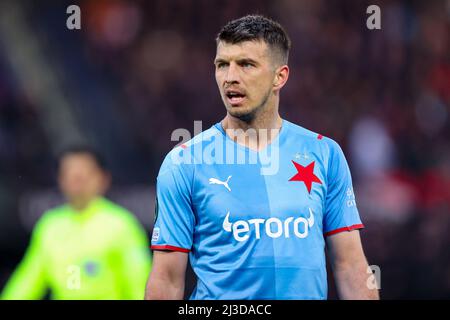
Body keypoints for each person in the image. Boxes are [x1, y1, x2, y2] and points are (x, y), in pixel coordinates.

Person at [145, 15, 379, 300]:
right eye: (222, 65)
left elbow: (350, 265)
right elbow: (167, 280)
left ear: (279, 76)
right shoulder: (183, 164)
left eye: (246, 64)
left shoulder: (325, 154)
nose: (230, 76)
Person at [1, 146, 151, 299]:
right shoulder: (49, 226)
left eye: (84, 175)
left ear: (103, 179)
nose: (77, 181)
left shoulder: (122, 225)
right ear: (60, 180)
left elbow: (140, 284)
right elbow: (27, 281)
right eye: (70, 175)